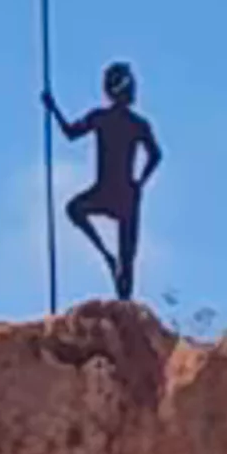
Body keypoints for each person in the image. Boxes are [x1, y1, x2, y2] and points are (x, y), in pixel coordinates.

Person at [54, 56, 160, 302]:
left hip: (117, 193)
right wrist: (140, 183)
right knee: (125, 257)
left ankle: (119, 283)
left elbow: (70, 132)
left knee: (126, 258)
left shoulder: (119, 121)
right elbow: (156, 155)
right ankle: (109, 259)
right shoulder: (122, 121)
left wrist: (53, 108)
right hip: (117, 193)